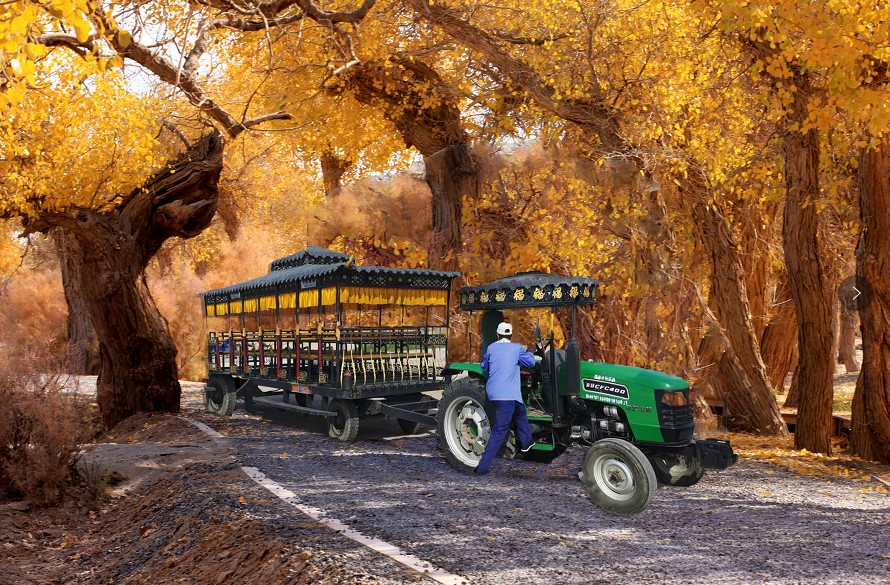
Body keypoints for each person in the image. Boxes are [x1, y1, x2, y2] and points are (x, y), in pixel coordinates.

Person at [475, 322, 536, 475]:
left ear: (497, 335)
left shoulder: (491, 348)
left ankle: (527, 443)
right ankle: (482, 468)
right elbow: (532, 362)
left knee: (521, 411)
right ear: (510, 335)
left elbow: (484, 367)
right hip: (507, 396)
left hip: (494, 393)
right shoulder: (516, 348)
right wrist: (529, 351)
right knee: (499, 431)